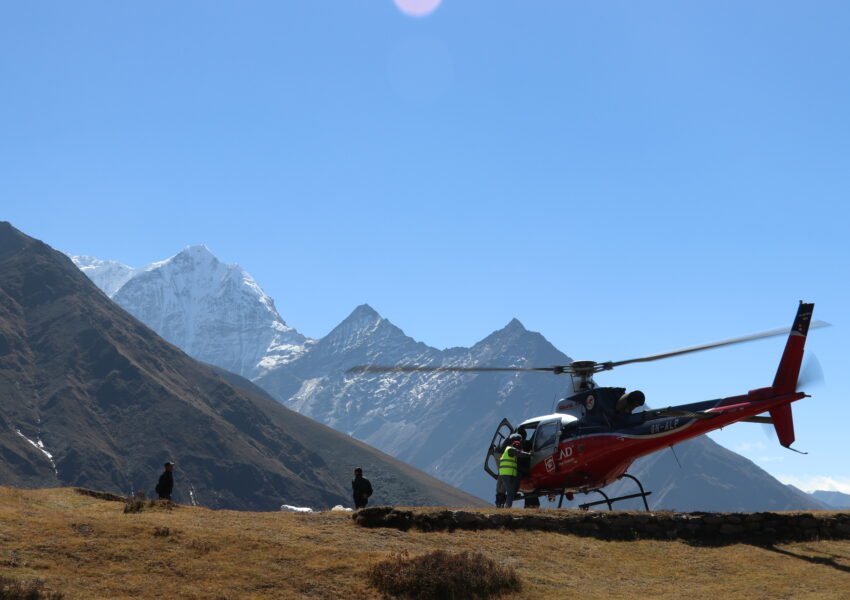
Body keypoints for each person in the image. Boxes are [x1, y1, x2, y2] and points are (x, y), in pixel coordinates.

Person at [499, 440, 528, 508]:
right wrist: (529, 454)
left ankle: (508, 504)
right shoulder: (511, 450)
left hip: (508, 474)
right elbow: (520, 454)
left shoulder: (510, 451)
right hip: (506, 474)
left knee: (513, 489)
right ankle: (507, 507)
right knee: (510, 491)